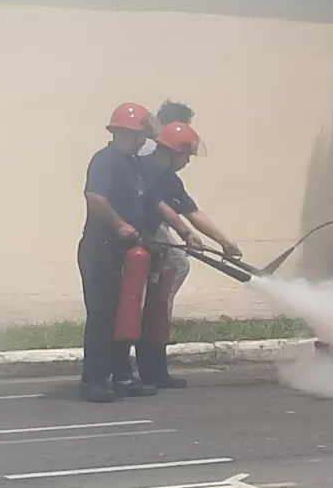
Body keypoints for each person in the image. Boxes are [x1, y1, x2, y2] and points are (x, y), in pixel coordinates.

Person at [136, 107, 240, 388]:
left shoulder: (170, 179)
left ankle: (155, 371)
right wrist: (185, 233)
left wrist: (224, 242)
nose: (188, 162)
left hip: (154, 250)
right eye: (186, 157)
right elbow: (159, 206)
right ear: (173, 152)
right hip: (134, 247)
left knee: (157, 309)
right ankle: (131, 372)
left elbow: (191, 210)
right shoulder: (144, 170)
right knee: (143, 309)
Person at [77, 102, 164, 403]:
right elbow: (94, 197)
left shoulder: (135, 165)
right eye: (139, 135)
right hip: (102, 249)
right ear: (123, 133)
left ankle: (123, 376)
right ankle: (95, 380)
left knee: (125, 314)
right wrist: (120, 225)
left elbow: (149, 200)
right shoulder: (107, 160)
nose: (142, 141)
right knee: (102, 316)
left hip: (128, 250)